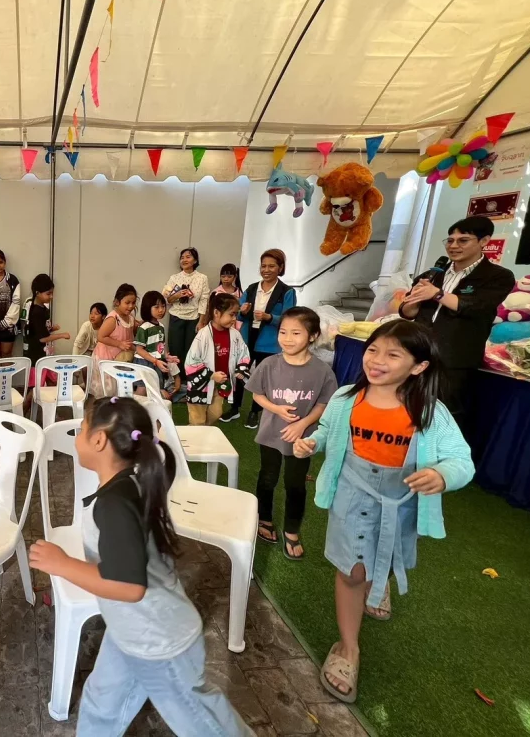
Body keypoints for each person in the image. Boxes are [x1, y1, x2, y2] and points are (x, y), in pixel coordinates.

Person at [28, 396, 253, 737]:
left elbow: (129, 586)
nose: (77, 437)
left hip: (160, 644)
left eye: (82, 429)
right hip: (132, 631)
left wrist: (63, 564)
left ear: (99, 440)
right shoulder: (129, 483)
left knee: (205, 725)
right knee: (101, 704)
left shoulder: (115, 504)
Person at [294, 320, 473, 703]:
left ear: (419, 366)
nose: (377, 360)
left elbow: (461, 459)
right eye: (373, 350)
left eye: (393, 354)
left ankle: (382, 580)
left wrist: (443, 474)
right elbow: (327, 431)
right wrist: (312, 442)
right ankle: (348, 648)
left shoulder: (430, 412)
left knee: (385, 558)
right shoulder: (346, 398)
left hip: (400, 505)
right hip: (351, 497)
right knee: (353, 571)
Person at [399, 216, 515, 429]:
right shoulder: (433, 275)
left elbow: (476, 306)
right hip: (418, 354)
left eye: (463, 240)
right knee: (407, 408)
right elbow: (406, 313)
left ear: (484, 241)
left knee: (445, 418)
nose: (453, 246)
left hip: (455, 363)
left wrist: (437, 294)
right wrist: (414, 299)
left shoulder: (498, 276)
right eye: (450, 240)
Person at [246, 307, 337, 559]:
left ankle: (292, 530)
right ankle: (264, 518)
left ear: (312, 336)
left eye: (296, 333)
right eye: (283, 332)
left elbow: (323, 403)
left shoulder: (322, 371)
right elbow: (257, 394)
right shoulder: (269, 364)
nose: (287, 338)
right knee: (267, 478)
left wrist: (302, 424)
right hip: (270, 435)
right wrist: (276, 408)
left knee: (295, 484)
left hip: (302, 439)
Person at [225, 248, 297, 428]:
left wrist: (269, 317)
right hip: (246, 338)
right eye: (263, 266)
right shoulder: (251, 288)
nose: (266, 270)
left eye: (271, 266)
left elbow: (289, 320)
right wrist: (242, 312)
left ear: (280, 268)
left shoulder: (287, 292)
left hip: (269, 342)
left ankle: (254, 412)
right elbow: (237, 314)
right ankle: (234, 408)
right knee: (239, 373)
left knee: (263, 379)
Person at [184, 293, 250, 426]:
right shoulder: (203, 335)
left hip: (221, 384)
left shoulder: (235, 335)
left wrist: (240, 369)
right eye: (231, 314)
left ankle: (202, 432)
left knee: (216, 413)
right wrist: (211, 375)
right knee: (197, 419)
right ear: (216, 313)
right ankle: (196, 434)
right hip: (200, 386)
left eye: (236, 314)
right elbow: (191, 362)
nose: (234, 319)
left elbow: (243, 354)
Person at [163, 248, 210, 386]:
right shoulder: (174, 278)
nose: (184, 260)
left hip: (194, 318)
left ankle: (189, 382)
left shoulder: (202, 278)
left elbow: (204, 300)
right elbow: (167, 300)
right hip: (176, 316)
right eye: (182, 257)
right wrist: (177, 295)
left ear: (195, 260)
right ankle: (175, 381)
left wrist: (201, 321)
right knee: (175, 350)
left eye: (188, 257)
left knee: (191, 351)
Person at [22, 274, 71, 399]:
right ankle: (24, 408)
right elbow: (42, 338)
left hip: (46, 354)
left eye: (52, 293)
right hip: (37, 355)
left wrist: (52, 328)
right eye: (48, 294)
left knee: (51, 382)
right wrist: (61, 335)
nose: (51, 296)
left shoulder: (42, 308)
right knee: (36, 388)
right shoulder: (36, 311)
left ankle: (50, 407)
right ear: (37, 293)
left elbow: (40, 329)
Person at [92, 284, 138, 396]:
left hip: (120, 359)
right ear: (117, 302)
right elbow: (101, 337)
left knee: (119, 387)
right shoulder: (113, 318)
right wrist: (118, 344)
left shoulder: (130, 318)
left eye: (133, 303)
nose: (131, 306)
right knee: (107, 389)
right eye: (127, 303)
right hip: (106, 358)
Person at [133, 291, 179, 400]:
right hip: (144, 362)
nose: (161, 310)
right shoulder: (144, 327)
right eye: (156, 307)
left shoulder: (161, 326)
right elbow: (139, 350)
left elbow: (160, 346)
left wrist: (166, 356)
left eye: (163, 306)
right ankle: (134, 408)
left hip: (156, 361)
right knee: (142, 389)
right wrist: (155, 361)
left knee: (156, 387)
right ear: (147, 308)